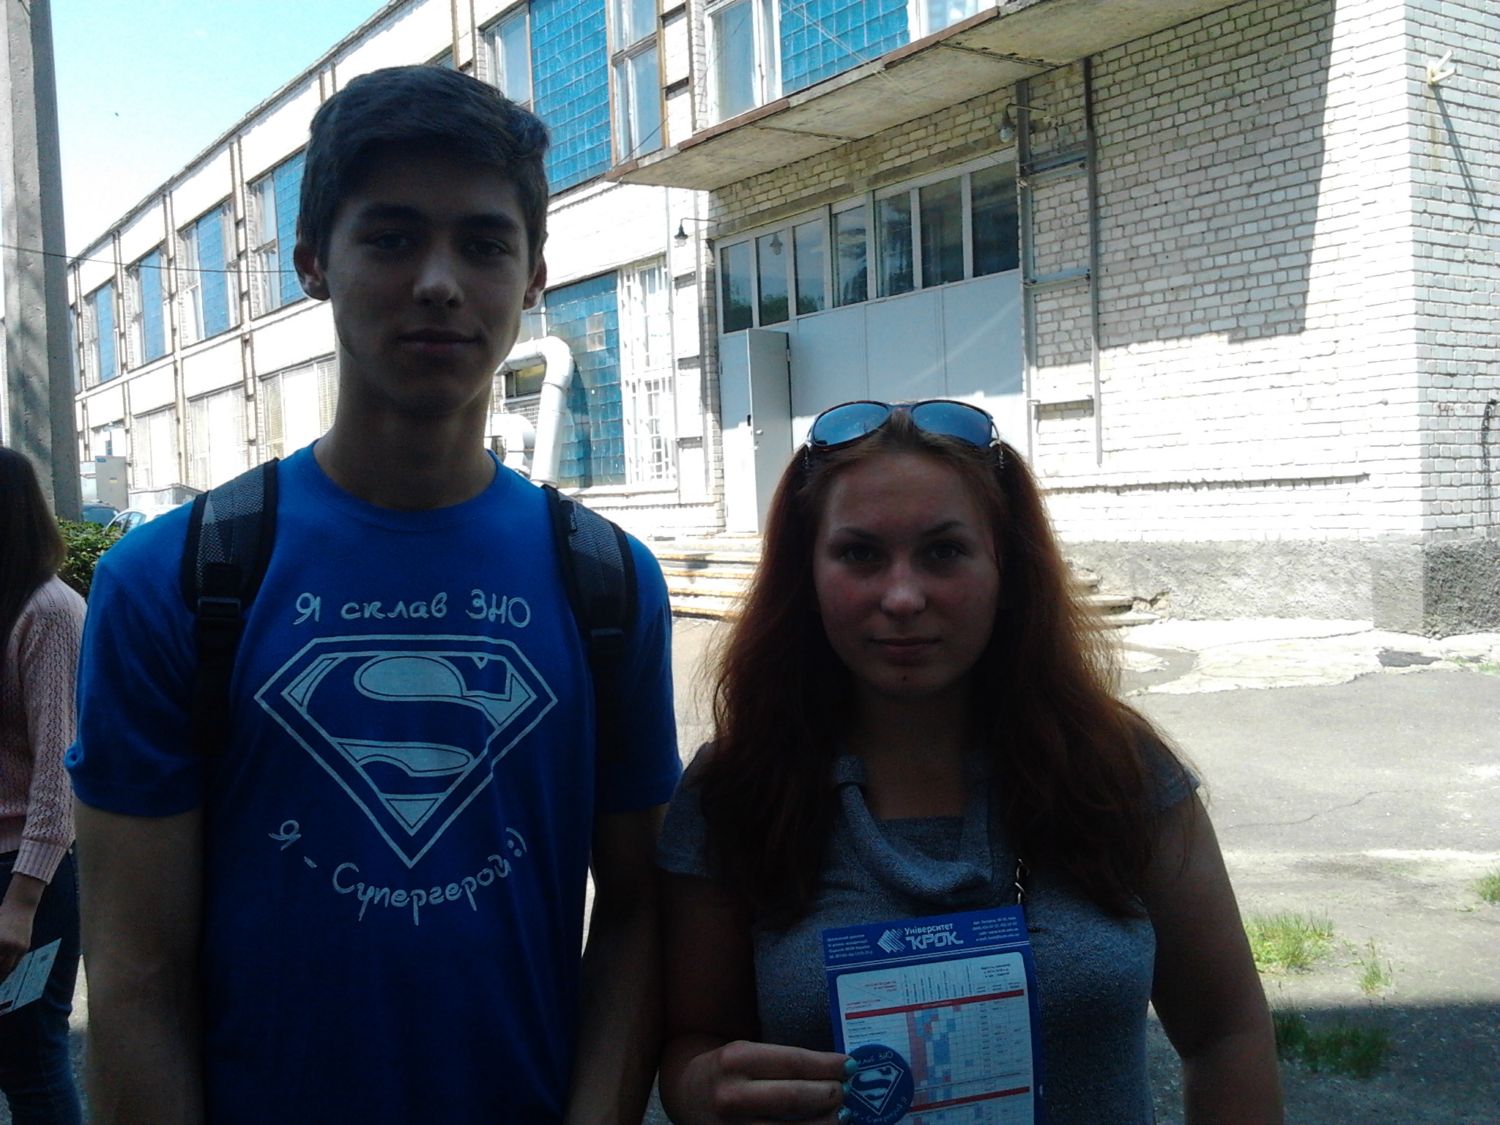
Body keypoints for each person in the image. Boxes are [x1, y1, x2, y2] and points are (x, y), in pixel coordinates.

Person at [68, 66, 680, 1124]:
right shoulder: (170, 582)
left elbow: (637, 915)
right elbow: (134, 977)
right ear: (313, 261)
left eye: (484, 244)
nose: (440, 282)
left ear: (535, 273)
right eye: (392, 238)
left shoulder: (610, 583)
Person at [656, 400, 1282, 1123]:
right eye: (860, 554)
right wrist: (702, 1089)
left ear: (1004, 565)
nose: (902, 596)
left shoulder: (1115, 768)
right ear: (808, 572)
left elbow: (1226, 1032)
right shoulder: (739, 789)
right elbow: (693, 1042)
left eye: (943, 552)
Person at [0, 447, 86, 1124]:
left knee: (28, 1059)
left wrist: (21, 903)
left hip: (32, 874)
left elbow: (60, 778)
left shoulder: (50, 611)